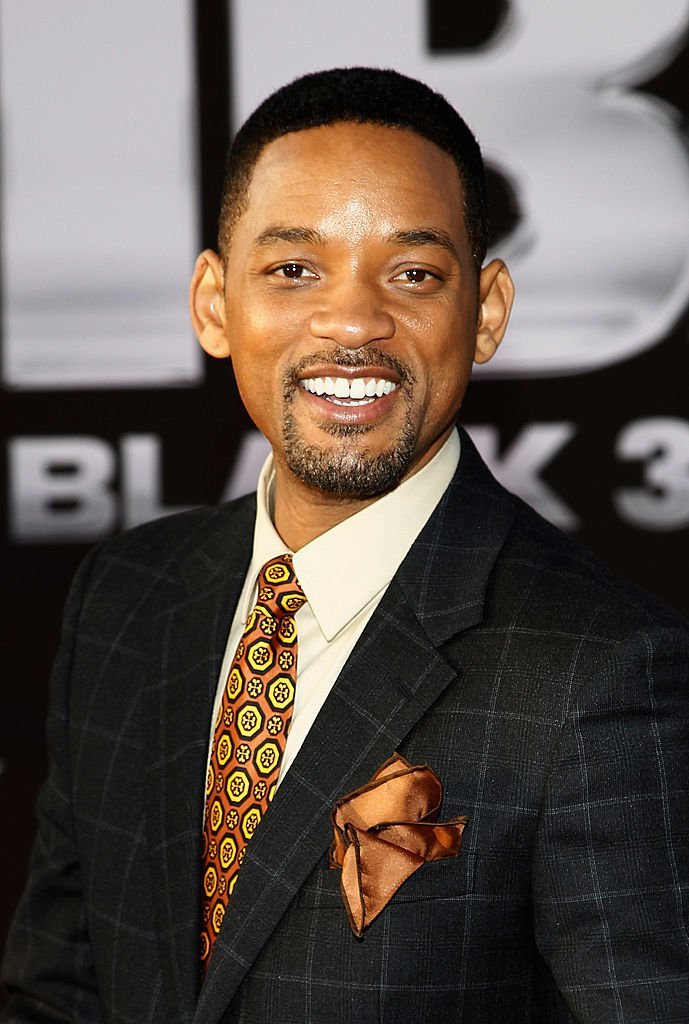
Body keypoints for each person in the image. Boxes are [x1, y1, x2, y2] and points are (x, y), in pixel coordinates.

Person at [2, 67, 688, 1024]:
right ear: (212, 302)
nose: (353, 323)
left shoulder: (598, 670)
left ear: (484, 312)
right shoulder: (126, 596)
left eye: (413, 273)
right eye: (293, 269)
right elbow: (57, 991)